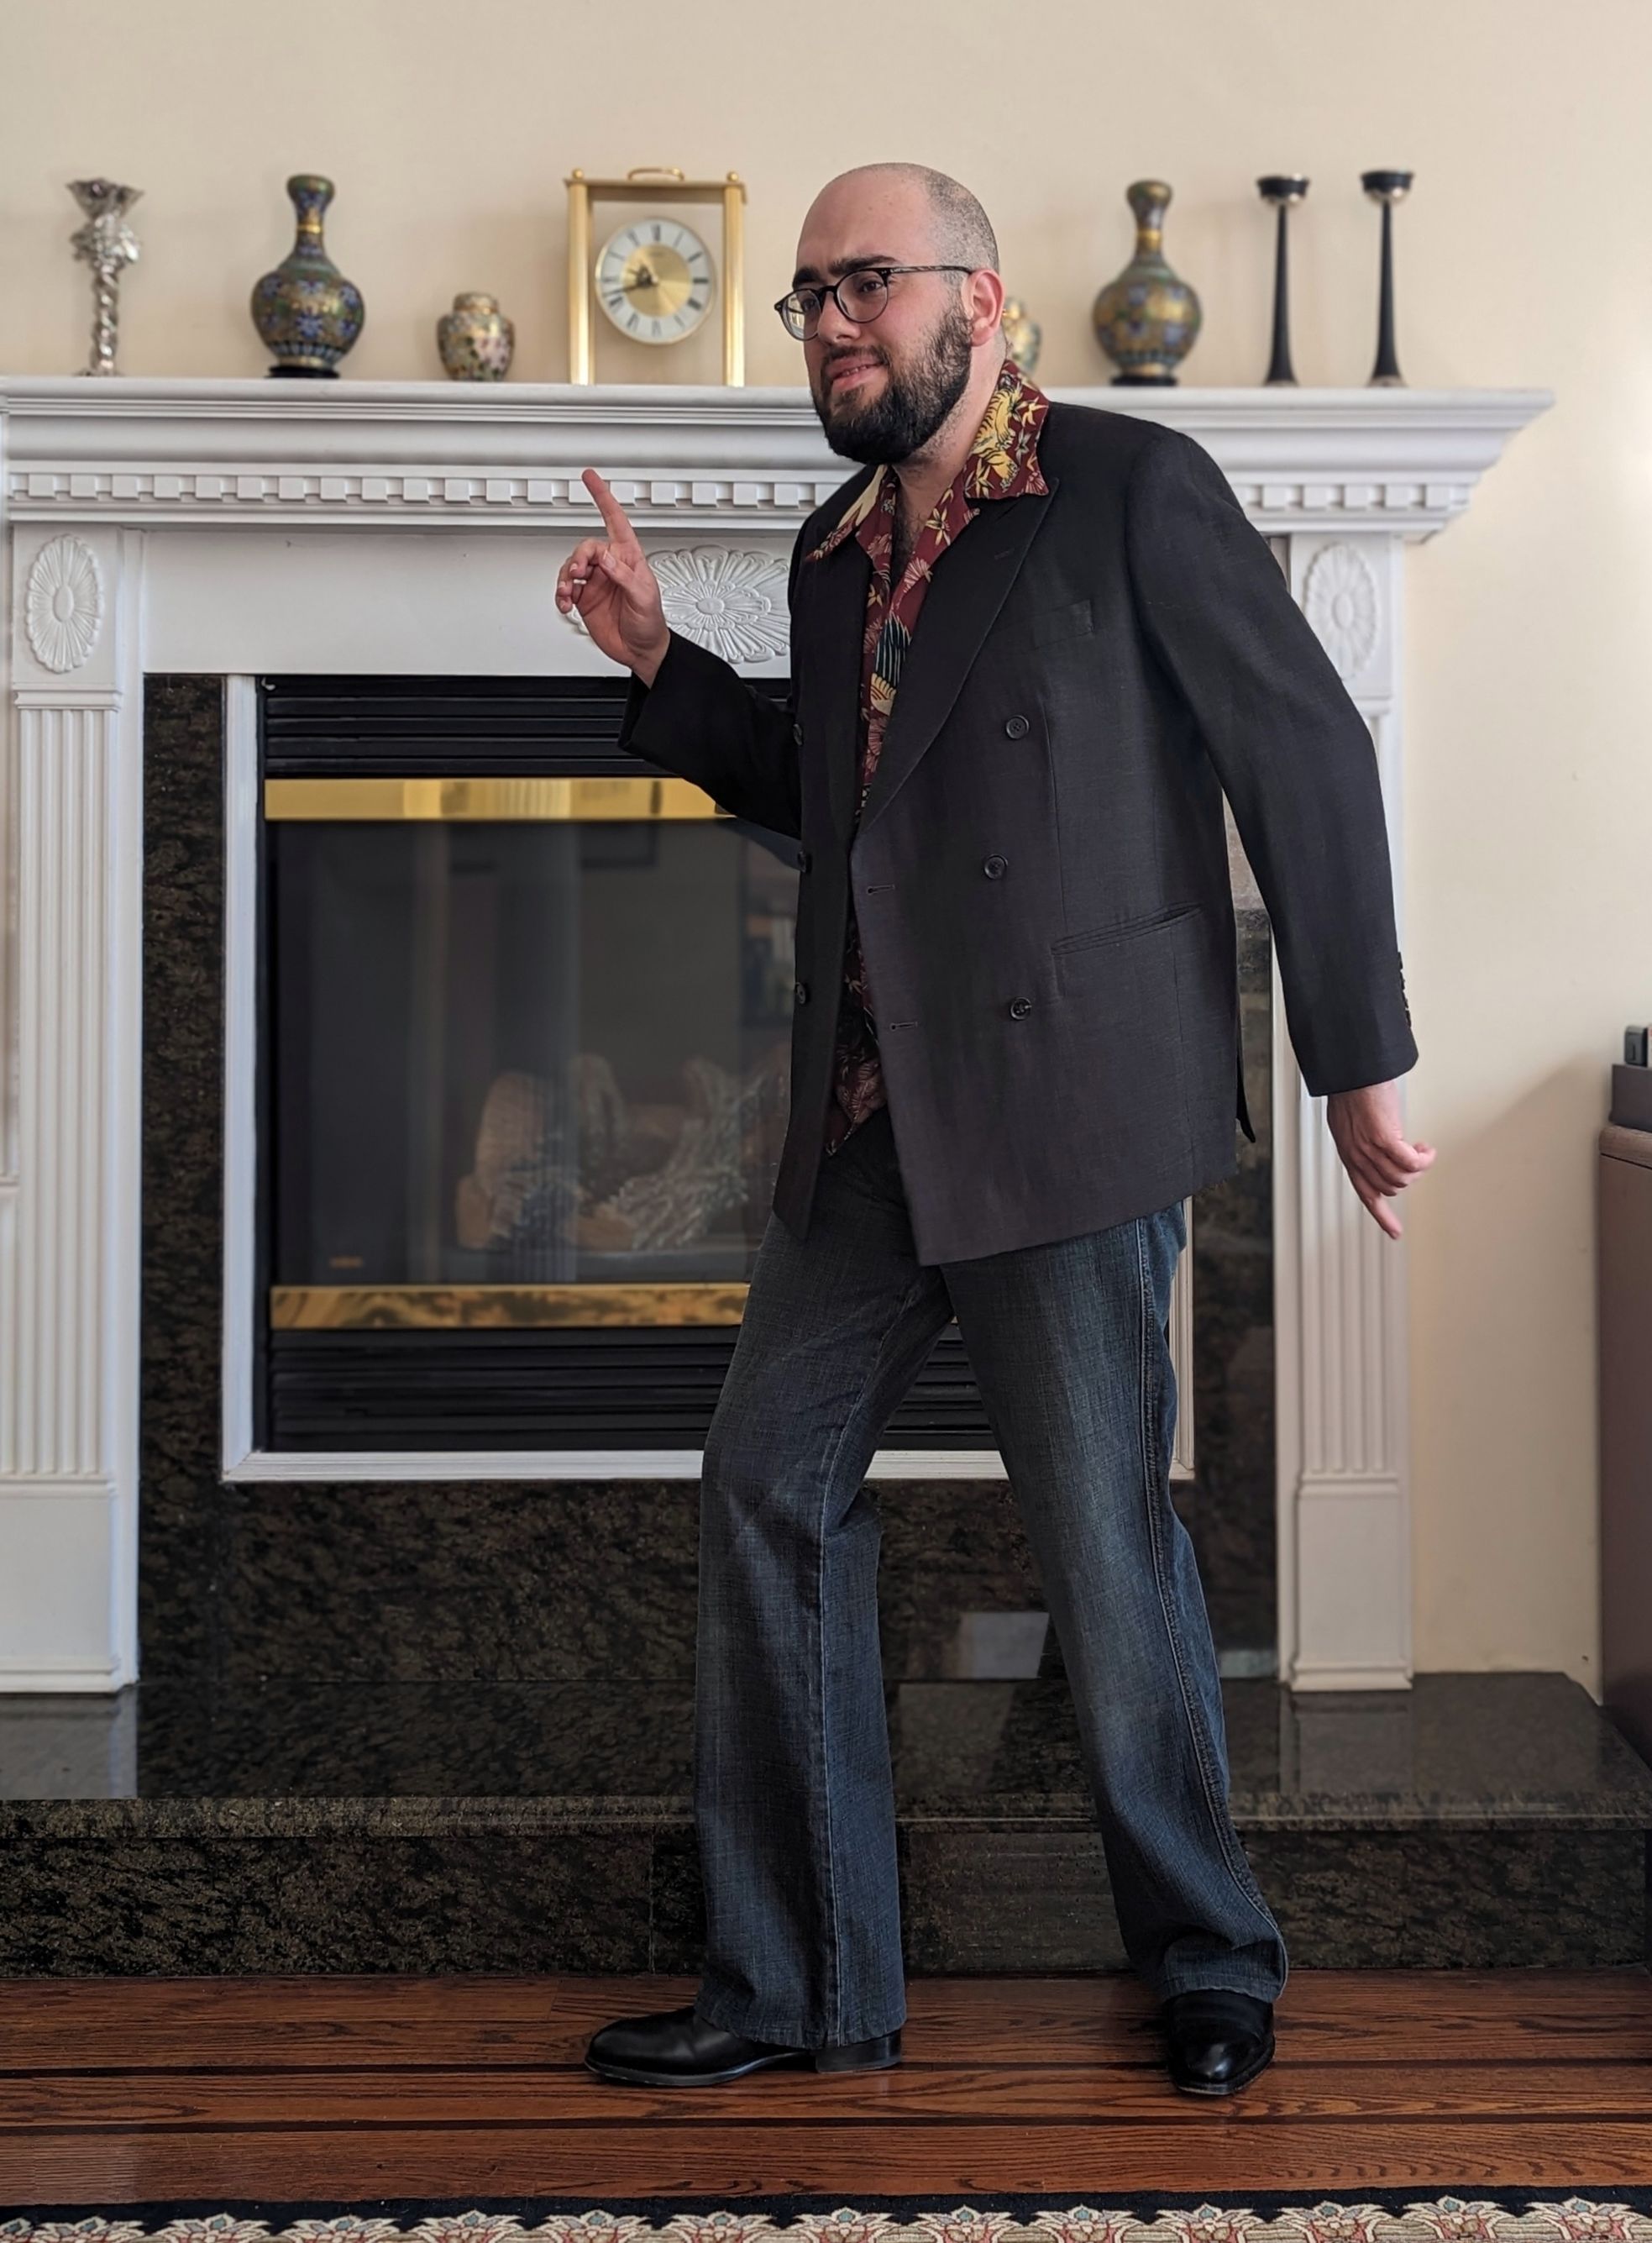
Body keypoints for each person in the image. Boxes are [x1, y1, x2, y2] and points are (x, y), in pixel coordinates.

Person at [557, 161, 1434, 2099]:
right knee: (765, 1486)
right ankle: (802, 1982)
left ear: (980, 297)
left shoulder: (1129, 489)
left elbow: (1302, 748)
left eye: (864, 282)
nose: (832, 322)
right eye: (809, 296)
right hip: (870, 1114)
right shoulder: (832, 549)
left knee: (1103, 1546)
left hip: (1067, 1105)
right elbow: (837, 795)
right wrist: (658, 664)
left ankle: (1208, 1957)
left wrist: (1355, 1058)